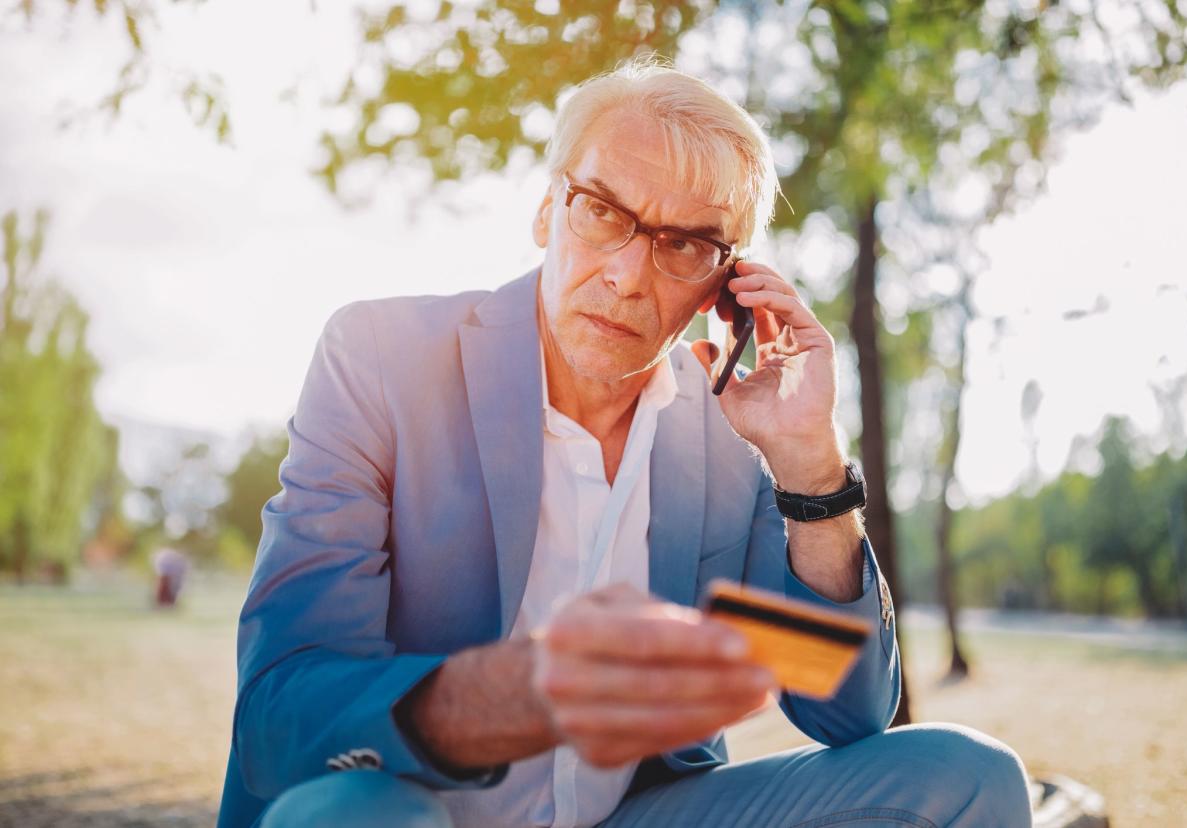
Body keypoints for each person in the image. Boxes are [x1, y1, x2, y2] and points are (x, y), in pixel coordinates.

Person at [216, 59, 1032, 828]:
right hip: (409, 809)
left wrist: (809, 463)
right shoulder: (383, 359)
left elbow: (845, 706)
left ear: (726, 285)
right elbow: (281, 714)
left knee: (968, 779)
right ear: (547, 210)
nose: (629, 276)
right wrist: (520, 693)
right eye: (603, 211)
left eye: (683, 243)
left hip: (634, 814)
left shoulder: (725, 435)